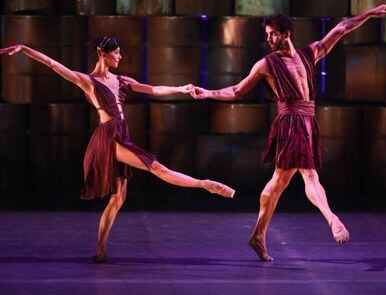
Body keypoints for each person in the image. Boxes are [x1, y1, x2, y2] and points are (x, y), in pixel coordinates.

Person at [0, 36, 235, 262]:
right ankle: (205, 184)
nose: (121, 56)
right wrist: (24, 49)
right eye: (117, 52)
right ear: (103, 54)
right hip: (108, 137)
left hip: (122, 133)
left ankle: (100, 248)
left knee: (118, 197)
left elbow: (152, 89)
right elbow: (53, 64)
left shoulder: (122, 80)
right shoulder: (88, 81)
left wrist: (181, 89)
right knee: (157, 168)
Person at [191, 4, 386, 261]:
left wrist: (369, 13)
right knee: (308, 175)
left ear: (286, 33)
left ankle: (258, 235)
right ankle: (332, 220)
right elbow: (237, 90)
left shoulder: (310, 54)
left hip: (309, 121)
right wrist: (208, 93)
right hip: (290, 122)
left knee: (278, 183)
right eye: (267, 35)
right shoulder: (266, 64)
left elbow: (342, 29)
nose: (268, 39)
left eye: (273, 34)